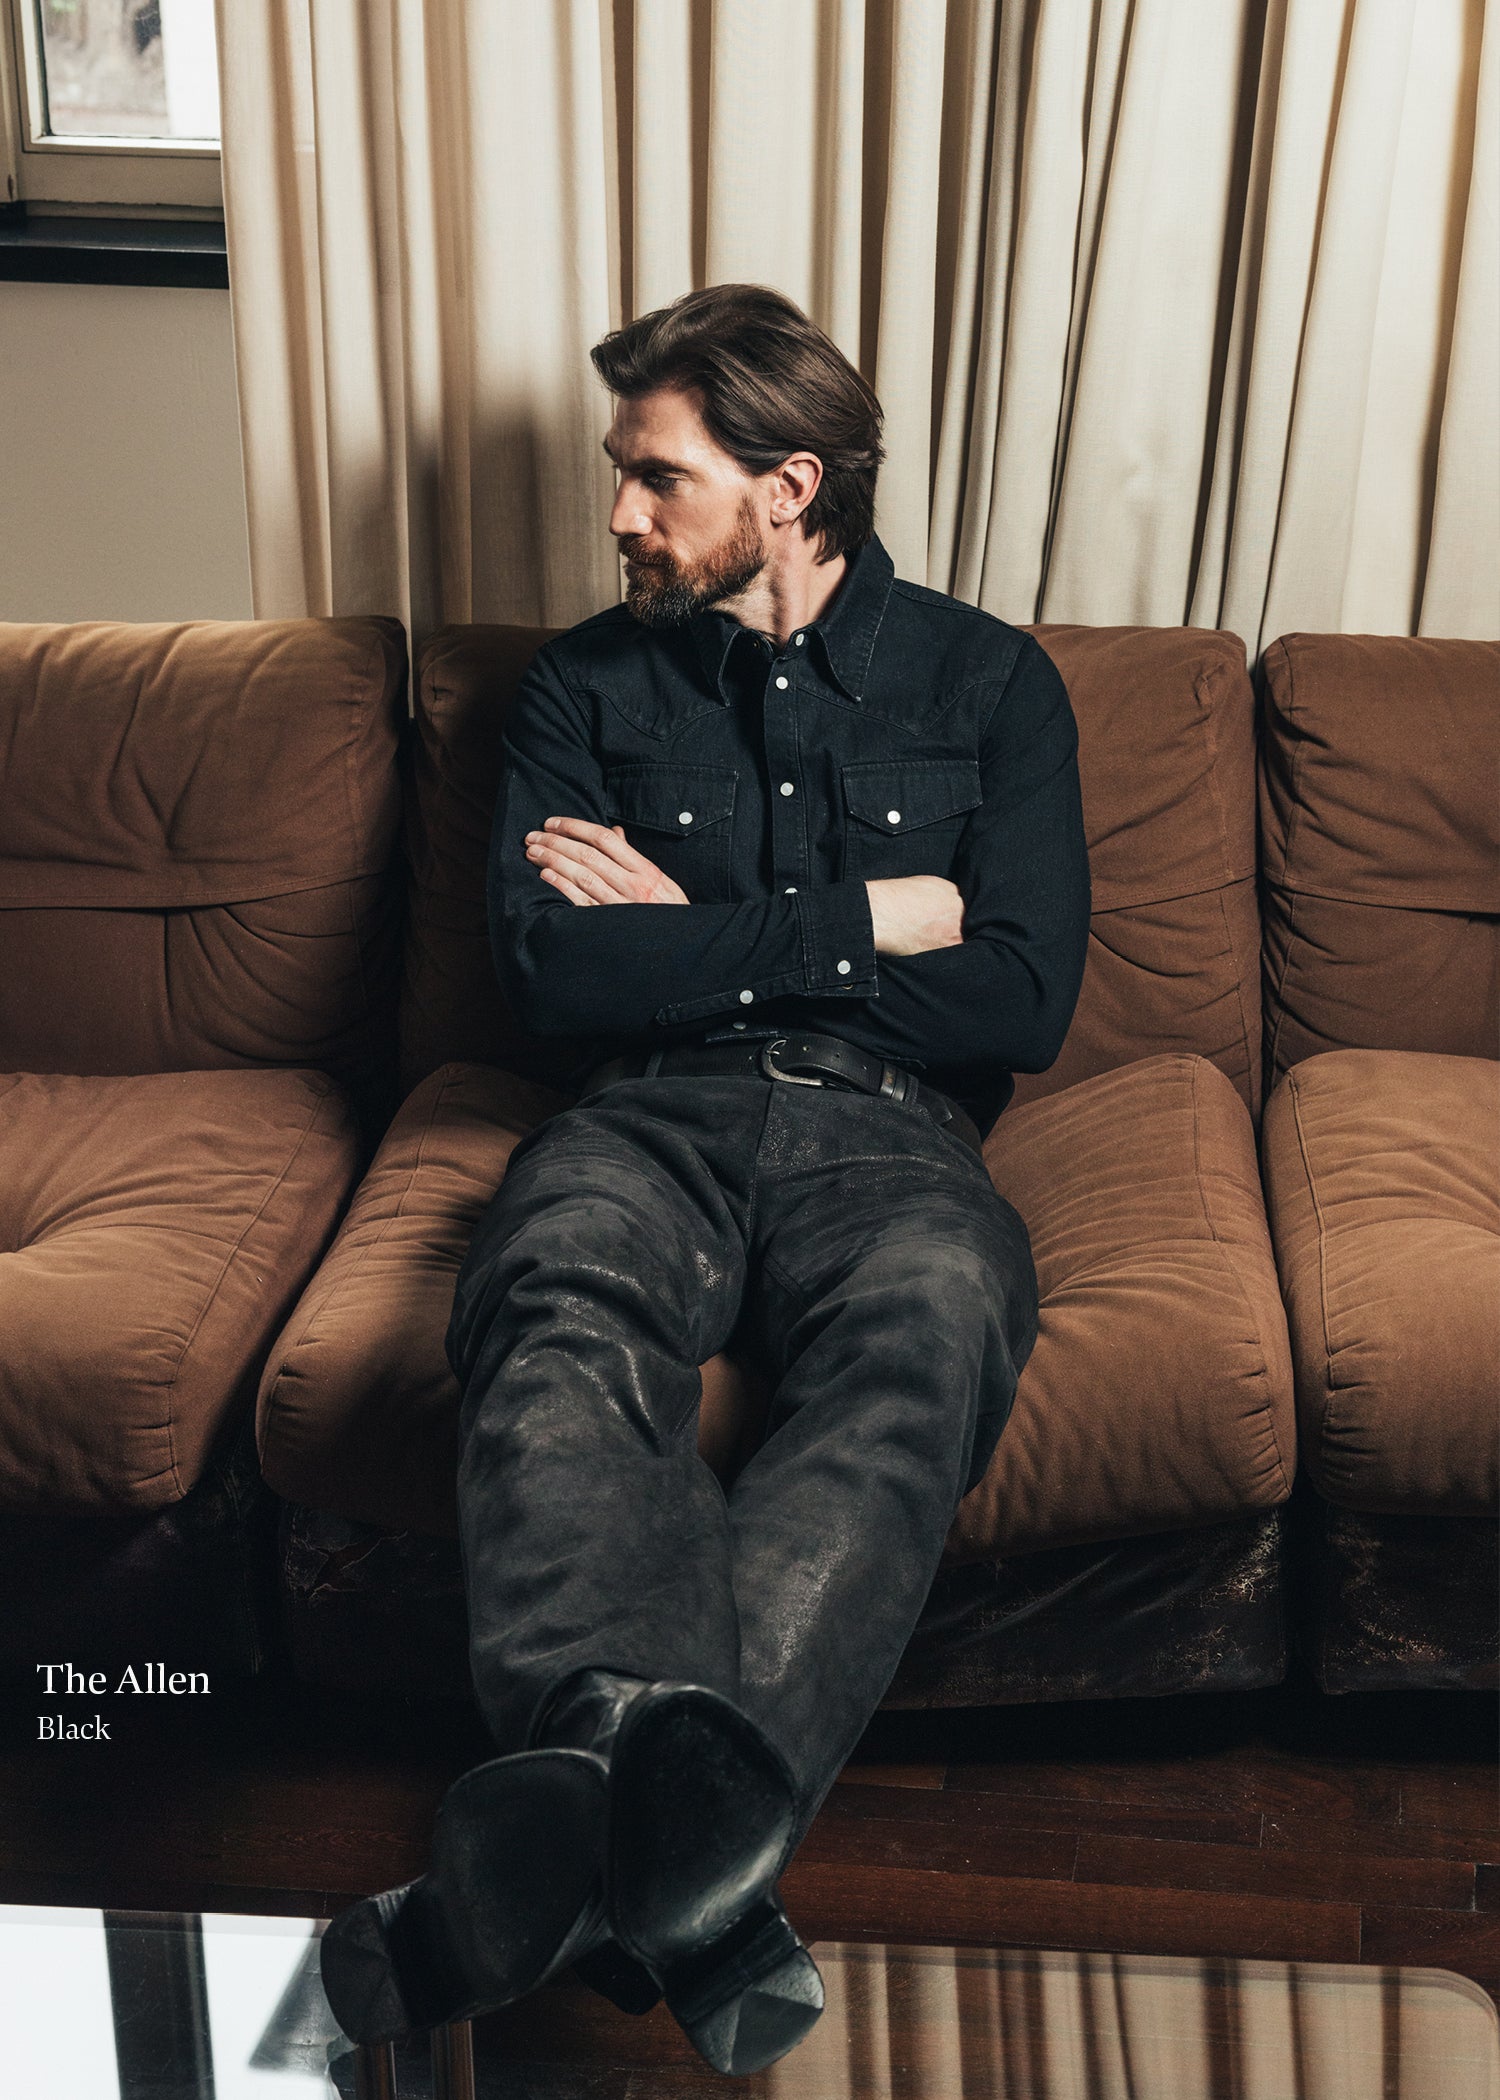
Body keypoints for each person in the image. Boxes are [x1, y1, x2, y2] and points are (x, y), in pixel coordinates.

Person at [320, 284, 1090, 2077]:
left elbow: (1023, 995)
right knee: (549, 1303)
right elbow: (551, 976)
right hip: (639, 1121)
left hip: (892, 1131)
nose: (617, 518)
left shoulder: (991, 685)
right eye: (620, 476)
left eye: (654, 478)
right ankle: (681, 1864)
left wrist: (698, 937)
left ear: (792, 483)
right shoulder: (583, 692)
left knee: (934, 1325)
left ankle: (582, 1831)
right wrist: (856, 924)